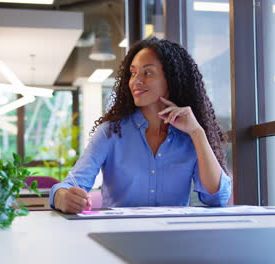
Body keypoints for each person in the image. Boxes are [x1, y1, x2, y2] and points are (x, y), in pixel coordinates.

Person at [50, 37, 232, 213]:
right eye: (133, 72)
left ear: (172, 78)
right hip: (120, 235)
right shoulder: (111, 132)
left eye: (148, 73)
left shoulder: (189, 136)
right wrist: (62, 197)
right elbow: (71, 185)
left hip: (173, 237)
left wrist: (197, 133)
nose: (136, 81)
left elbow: (216, 198)